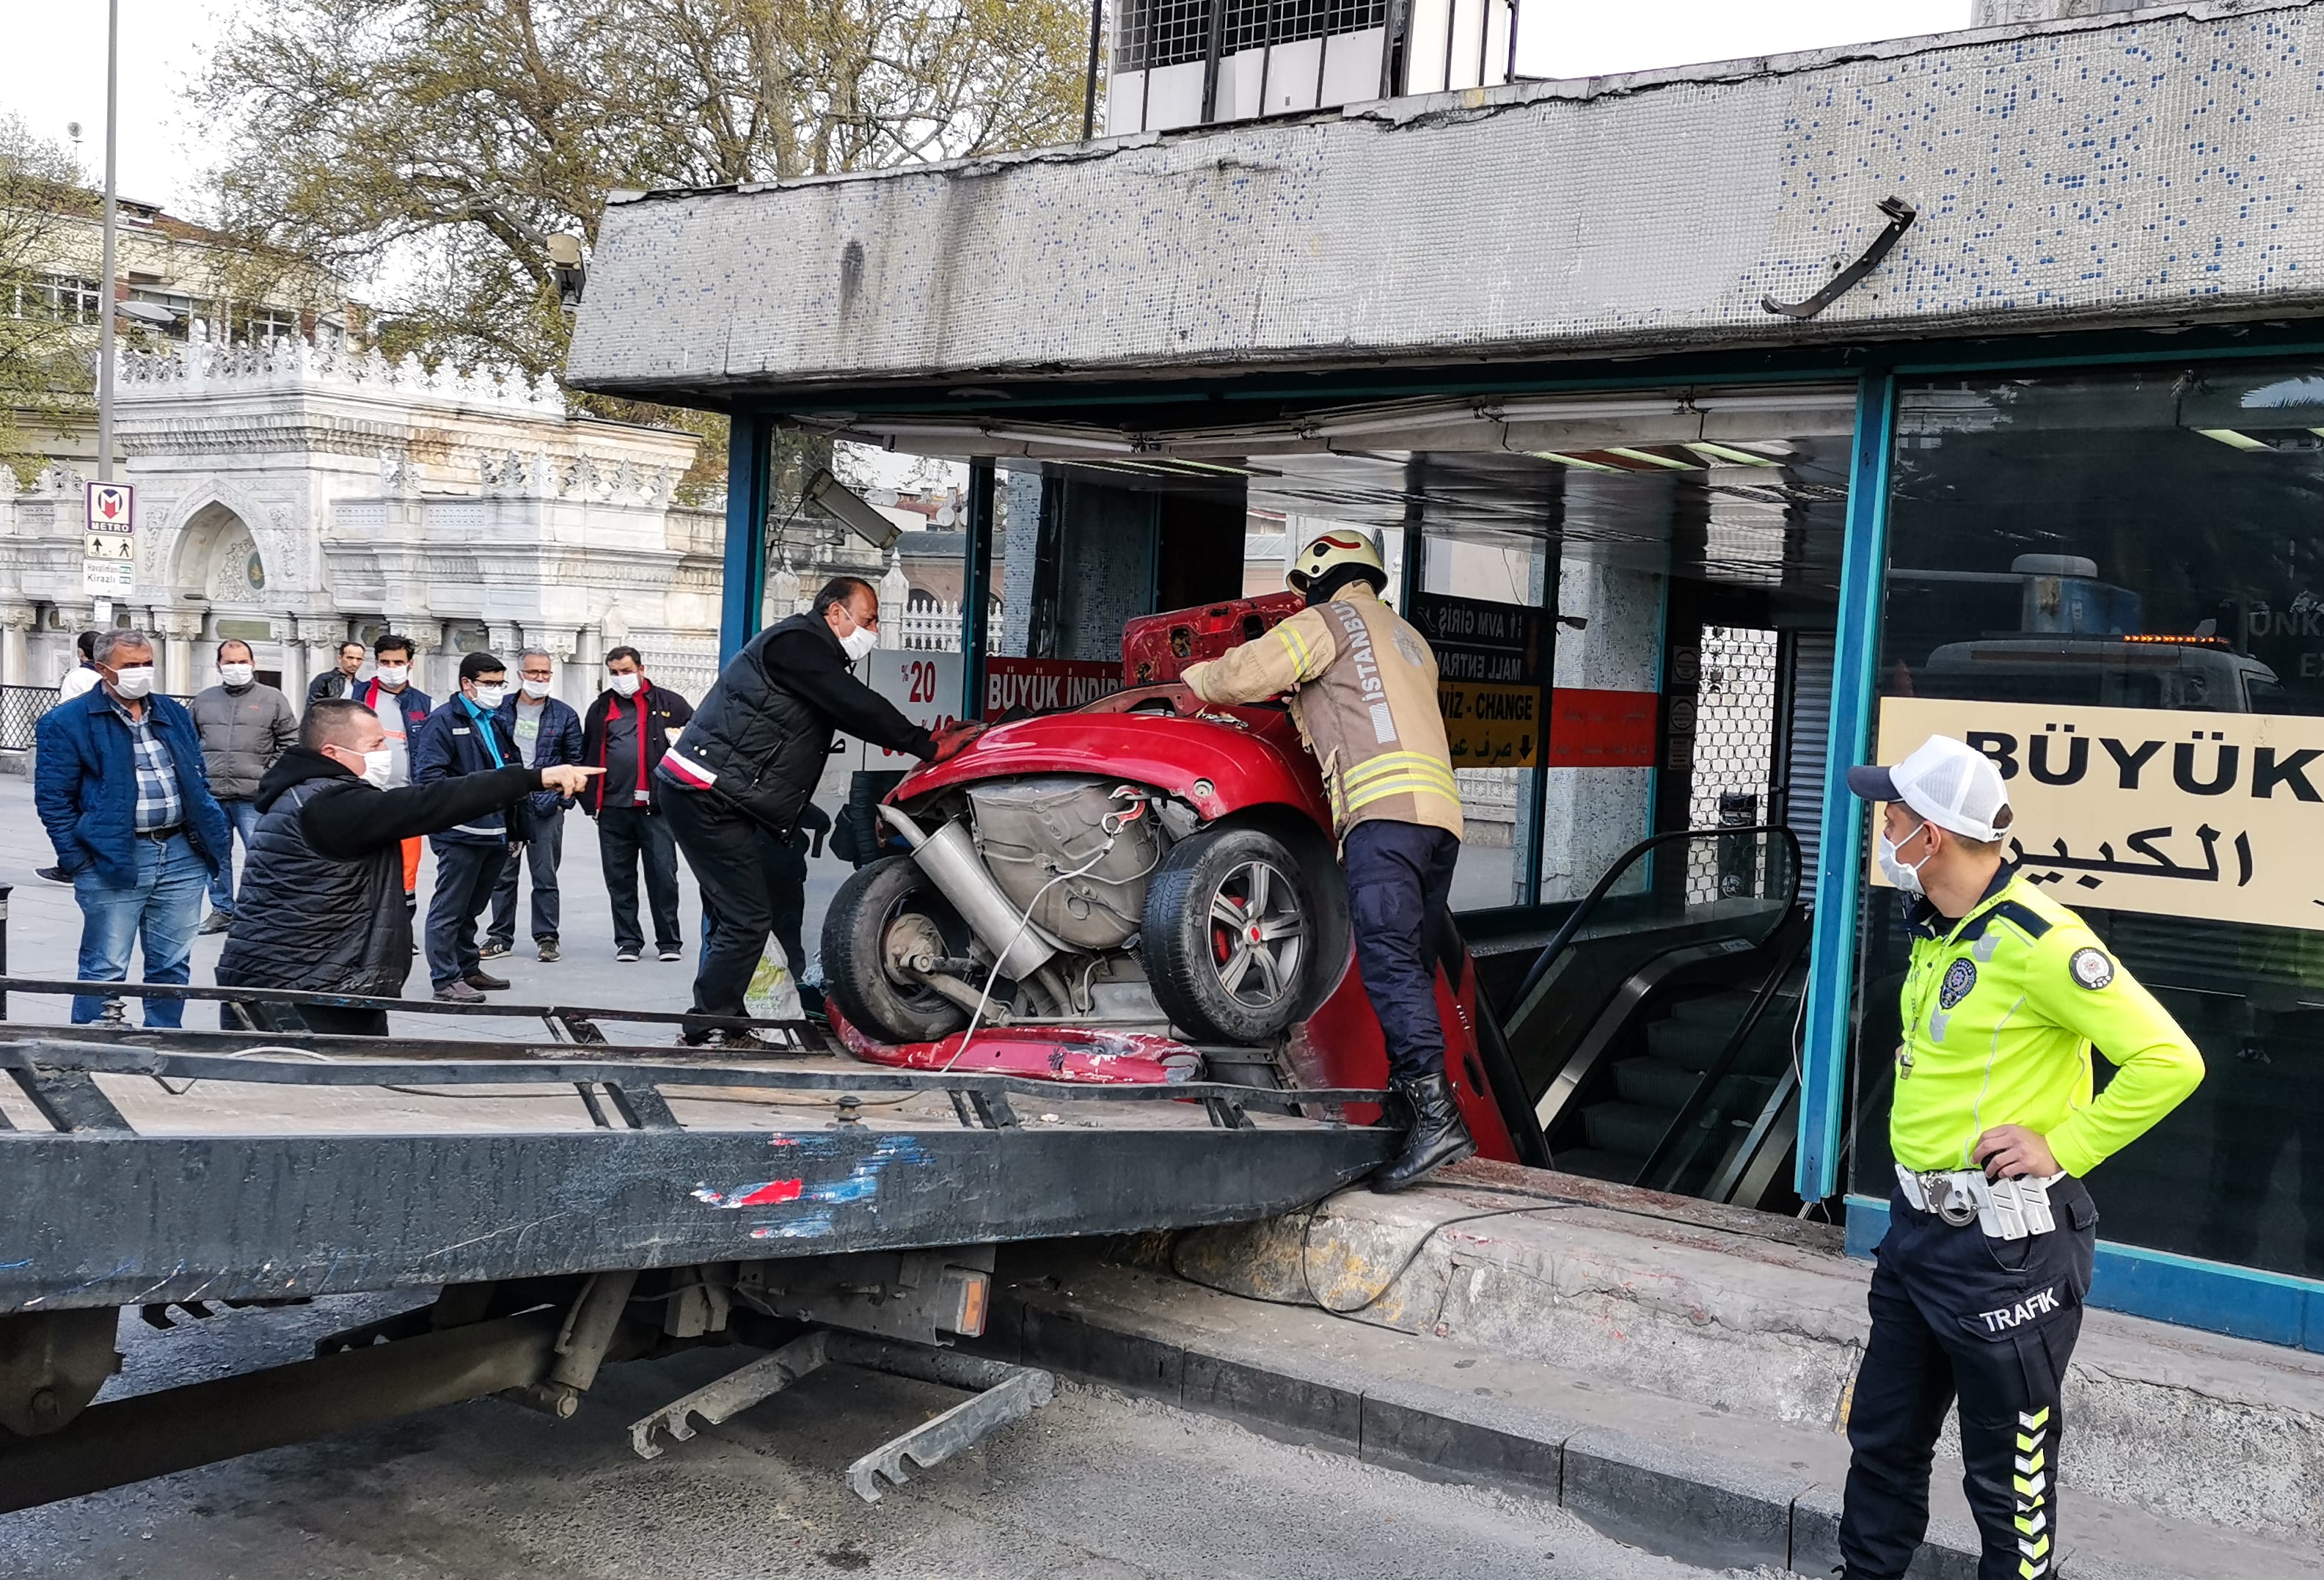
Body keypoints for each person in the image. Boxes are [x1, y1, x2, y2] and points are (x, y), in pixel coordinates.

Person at [1836, 734, 2205, 1580]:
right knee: (1884, 1441)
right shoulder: (1939, 925)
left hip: (2007, 1254)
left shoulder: (2040, 938)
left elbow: (2171, 1059)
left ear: (1930, 835)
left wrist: (2062, 1146)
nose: (1882, 823)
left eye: (1892, 811)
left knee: (2009, 1481)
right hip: (1917, 1237)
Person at [1180, 530, 1471, 1193]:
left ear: (1318, 579)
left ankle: (1434, 1118)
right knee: (1410, 963)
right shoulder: (1405, 637)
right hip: (1440, 823)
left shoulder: (1327, 621)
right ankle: (1409, 1102)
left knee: (1390, 961)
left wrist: (1193, 678)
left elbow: (1246, 674)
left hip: (1385, 819)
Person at [657, 577, 951, 1046]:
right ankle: (708, 1025)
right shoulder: (796, 644)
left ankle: (724, 1020)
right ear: (836, 613)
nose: (873, 630)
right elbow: (853, 706)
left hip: (723, 796)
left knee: (741, 914)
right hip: (705, 792)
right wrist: (922, 743)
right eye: (869, 618)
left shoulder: (812, 652)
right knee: (748, 918)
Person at [218, 699, 600, 1035]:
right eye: (376, 744)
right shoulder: (327, 804)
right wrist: (532, 777)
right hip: (301, 992)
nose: (388, 752)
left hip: (310, 978)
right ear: (333, 752)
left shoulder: (309, 793)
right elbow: (427, 802)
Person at [33, 629, 233, 1027]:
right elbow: (54, 800)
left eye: (147, 664)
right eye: (130, 666)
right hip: (114, 858)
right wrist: (79, 862)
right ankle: (91, 1046)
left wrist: (210, 834)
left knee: (172, 964)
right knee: (105, 966)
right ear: (103, 669)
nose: (142, 673)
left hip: (180, 853)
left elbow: (195, 775)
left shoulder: (171, 711)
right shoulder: (68, 722)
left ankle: (164, 1039)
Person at [412, 652, 528, 1003]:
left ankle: (468, 968)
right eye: (488, 684)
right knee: (451, 906)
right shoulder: (443, 722)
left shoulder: (495, 720)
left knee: (473, 907)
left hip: (495, 828)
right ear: (467, 684)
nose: (496, 690)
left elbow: (511, 770)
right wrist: (475, 792)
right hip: (460, 831)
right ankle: (445, 979)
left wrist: (516, 827)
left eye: (500, 683)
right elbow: (429, 776)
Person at [579, 645, 693, 963]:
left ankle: (669, 942)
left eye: (626, 671)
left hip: (656, 809)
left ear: (641, 669)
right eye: (614, 673)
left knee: (663, 876)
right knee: (619, 879)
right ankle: (628, 941)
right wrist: (589, 800)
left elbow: (697, 745)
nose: (620, 678)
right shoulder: (601, 708)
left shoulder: (671, 703)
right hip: (613, 808)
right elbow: (588, 751)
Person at [190, 639, 299, 935]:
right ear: (218, 665)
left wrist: (267, 775)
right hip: (212, 795)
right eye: (229, 662)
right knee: (215, 855)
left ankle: (261, 911)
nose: (235, 667)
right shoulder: (204, 700)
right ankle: (222, 909)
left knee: (260, 854)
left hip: (253, 796)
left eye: (241, 661)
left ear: (252, 664)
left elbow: (290, 740)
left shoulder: (273, 698)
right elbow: (189, 742)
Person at [484, 648, 584, 962]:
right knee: (502, 875)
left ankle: (547, 937)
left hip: (545, 807)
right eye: (533, 673)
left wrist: (562, 803)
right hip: (508, 804)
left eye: (545, 673)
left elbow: (575, 762)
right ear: (520, 675)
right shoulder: (499, 711)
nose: (540, 679)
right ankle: (500, 936)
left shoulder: (564, 715)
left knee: (545, 876)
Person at [358, 633, 433, 908]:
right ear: (376, 663)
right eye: (385, 662)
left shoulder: (425, 705)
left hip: (406, 799)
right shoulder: (356, 697)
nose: (391, 668)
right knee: (364, 864)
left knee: (407, 869)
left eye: (397, 662)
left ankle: (402, 929)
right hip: (364, 796)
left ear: (410, 664)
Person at [34, 633, 106, 883]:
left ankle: (70, 864)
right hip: (101, 750)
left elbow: (67, 712)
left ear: (80, 653)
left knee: (70, 807)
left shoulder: (77, 677)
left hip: (77, 750)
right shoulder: (105, 676)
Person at [306, 639, 367, 707]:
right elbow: (312, 709)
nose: (354, 663)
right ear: (340, 658)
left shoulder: (360, 686)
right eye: (350, 658)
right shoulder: (324, 680)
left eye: (359, 659)